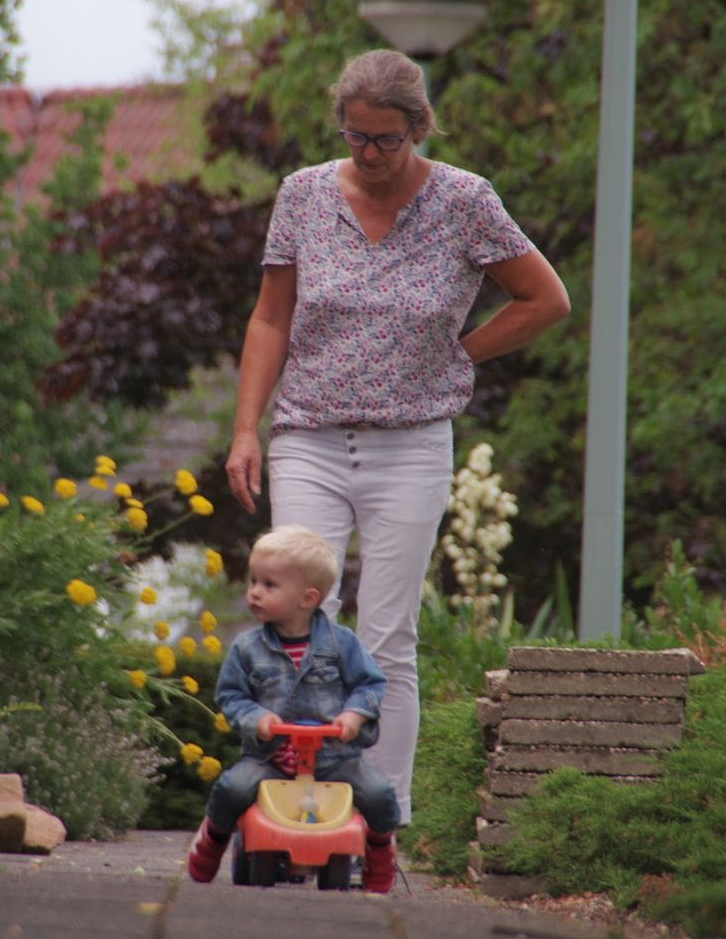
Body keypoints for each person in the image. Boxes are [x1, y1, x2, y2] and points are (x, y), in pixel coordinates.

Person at [225, 49, 571, 825]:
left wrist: (459, 352)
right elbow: (270, 317)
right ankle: (286, 807)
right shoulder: (305, 195)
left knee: (385, 639)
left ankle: (380, 817)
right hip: (308, 434)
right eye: (355, 138)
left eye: (385, 139)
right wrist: (246, 428)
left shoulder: (465, 200)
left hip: (410, 445)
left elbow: (545, 299)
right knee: (299, 625)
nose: (370, 155)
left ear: (419, 126)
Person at [187, 525, 401, 892]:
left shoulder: (341, 644)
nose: (254, 592)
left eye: (269, 585)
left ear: (307, 598)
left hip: (334, 758)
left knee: (379, 794)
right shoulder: (246, 648)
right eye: (253, 580)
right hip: (271, 757)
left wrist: (352, 715)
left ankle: (379, 852)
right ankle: (214, 838)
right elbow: (231, 696)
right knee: (233, 786)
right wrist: (258, 719)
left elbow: (371, 684)